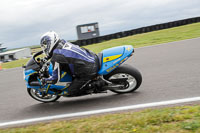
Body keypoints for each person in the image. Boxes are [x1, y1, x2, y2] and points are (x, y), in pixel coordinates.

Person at [40, 31, 98, 96]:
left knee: (71, 91)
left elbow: (55, 79)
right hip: (91, 58)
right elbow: (58, 53)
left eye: (46, 45)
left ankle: (95, 85)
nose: (45, 47)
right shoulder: (62, 42)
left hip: (88, 69)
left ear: (50, 42)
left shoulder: (56, 57)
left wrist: (45, 80)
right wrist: (47, 58)